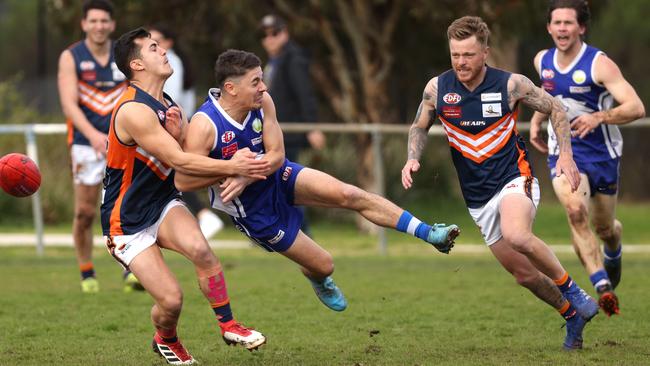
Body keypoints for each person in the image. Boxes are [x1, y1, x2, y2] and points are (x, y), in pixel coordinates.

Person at [174, 49, 460, 314]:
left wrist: (246, 173)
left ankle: (428, 233)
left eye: (262, 79)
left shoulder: (263, 104)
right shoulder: (204, 125)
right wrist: (231, 170)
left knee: (349, 194)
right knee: (324, 264)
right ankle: (317, 277)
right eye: (255, 82)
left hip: (277, 176)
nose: (264, 87)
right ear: (231, 88)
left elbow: (277, 155)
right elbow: (184, 181)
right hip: (254, 212)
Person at [401, 16, 599, 350]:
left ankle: (572, 290)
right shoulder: (437, 88)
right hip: (477, 198)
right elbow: (419, 125)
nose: (461, 62)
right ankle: (571, 314)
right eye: (455, 55)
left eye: (469, 55)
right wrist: (412, 156)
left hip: (514, 178)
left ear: (485, 53)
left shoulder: (511, 85)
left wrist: (566, 155)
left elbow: (557, 110)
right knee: (524, 275)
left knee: (517, 234)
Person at [103, 28, 269, 364]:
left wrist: (181, 135)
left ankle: (229, 325)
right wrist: (231, 166)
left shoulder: (168, 104)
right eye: (153, 48)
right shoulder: (134, 110)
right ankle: (166, 338)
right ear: (136, 64)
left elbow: (183, 156)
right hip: (127, 221)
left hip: (163, 203)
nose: (163, 51)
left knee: (200, 250)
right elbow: (179, 160)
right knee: (171, 301)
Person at [529, 0, 645, 317]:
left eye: (569, 23)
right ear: (549, 28)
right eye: (557, 23)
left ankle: (613, 246)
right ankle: (602, 287)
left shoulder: (599, 64)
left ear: (581, 27)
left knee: (604, 227)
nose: (562, 29)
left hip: (602, 155)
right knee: (575, 211)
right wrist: (538, 120)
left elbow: (636, 107)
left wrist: (598, 117)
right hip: (564, 154)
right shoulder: (543, 60)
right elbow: (547, 92)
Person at [57, 0, 141, 293]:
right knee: (85, 212)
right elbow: (69, 103)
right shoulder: (72, 57)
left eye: (104, 21)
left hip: (122, 143)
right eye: (93, 21)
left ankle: (129, 270)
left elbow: (137, 92)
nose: (99, 26)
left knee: (123, 208)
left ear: (112, 24)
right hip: (84, 143)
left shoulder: (124, 54)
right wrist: (93, 135)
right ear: (84, 24)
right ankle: (86, 272)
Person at [148, 23, 225, 240]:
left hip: (176, 123)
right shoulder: (174, 62)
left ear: (169, 42)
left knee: (178, 170)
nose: (154, 45)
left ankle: (203, 215)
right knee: (177, 171)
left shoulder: (169, 63)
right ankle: (202, 215)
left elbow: (166, 102)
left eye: (157, 40)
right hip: (181, 122)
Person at [259, 14, 326, 236]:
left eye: (274, 34)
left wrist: (312, 127)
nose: (269, 39)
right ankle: (291, 230)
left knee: (288, 181)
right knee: (279, 182)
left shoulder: (293, 58)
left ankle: (300, 231)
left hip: (289, 132)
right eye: (265, 35)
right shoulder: (273, 61)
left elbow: (304, 94)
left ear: (284, 33)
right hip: (276, 131)